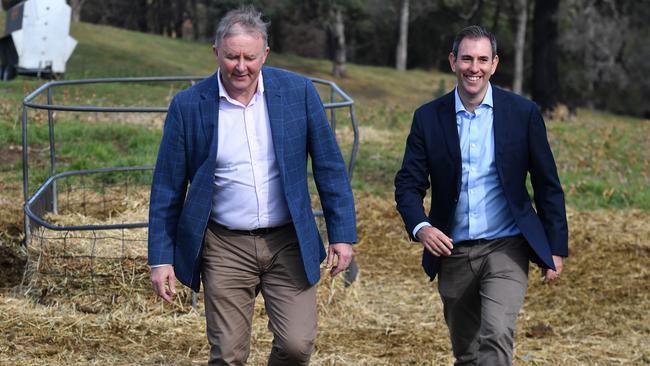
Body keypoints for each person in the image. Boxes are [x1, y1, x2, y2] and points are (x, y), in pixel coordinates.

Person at [147, 7, 357, 365]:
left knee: (296, 345)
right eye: (231, 56)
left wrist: (342, 234)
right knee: (228, 355)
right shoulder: (188, 106)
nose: (240, 66)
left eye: (249, 57)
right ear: (216, 52)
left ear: (265, 55)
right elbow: (167, 186)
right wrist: (161, 257)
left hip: (287, 241)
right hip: (225, 245)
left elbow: (330, 167)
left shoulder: (298, 93)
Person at [394, 25, 568, 365]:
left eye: (483, 59)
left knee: (497, 334)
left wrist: (556, 247)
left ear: (495, 64)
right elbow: (408, 185)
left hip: (507, 246)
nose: (475, 67)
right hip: (453, 249)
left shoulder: (523, 114)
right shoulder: (428, 118)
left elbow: (548, 184)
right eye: (467, 59)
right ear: (452, 61)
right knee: (467, 352)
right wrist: (422, 227)